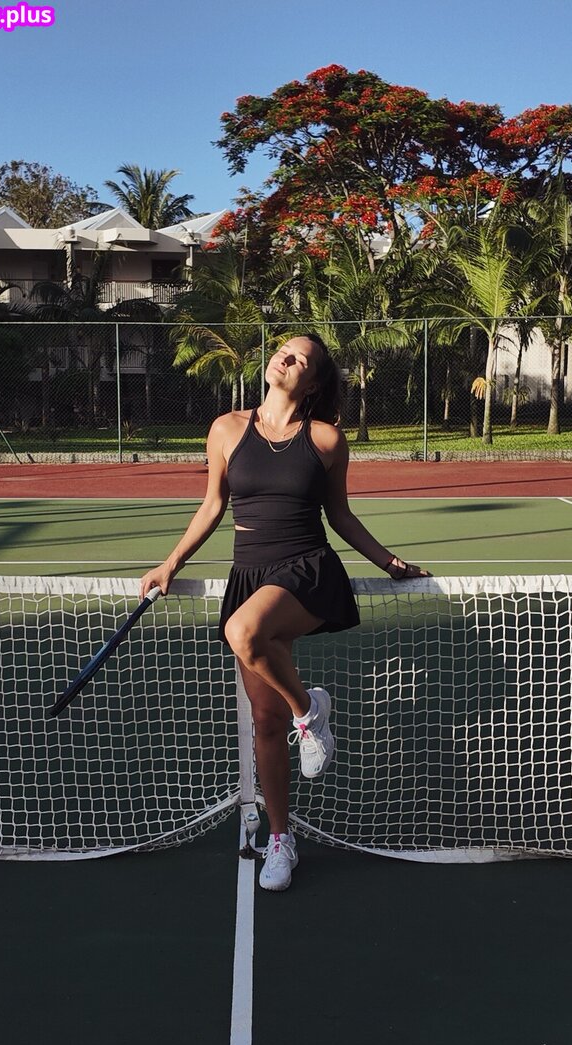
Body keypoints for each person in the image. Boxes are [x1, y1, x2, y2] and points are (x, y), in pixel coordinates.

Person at [140, 334, 429, 891]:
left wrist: (389, 562)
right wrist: (170, 563)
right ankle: (281, 838)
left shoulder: (326, 439)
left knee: (242, 630)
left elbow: (340, 515)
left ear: (313, 382)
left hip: (306, 570)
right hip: (250, 573)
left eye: (300, 359)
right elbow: (213, 504)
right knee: (266, 721)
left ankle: (309, 711)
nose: (284, 358)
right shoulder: (226, 429)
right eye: (283, 350)